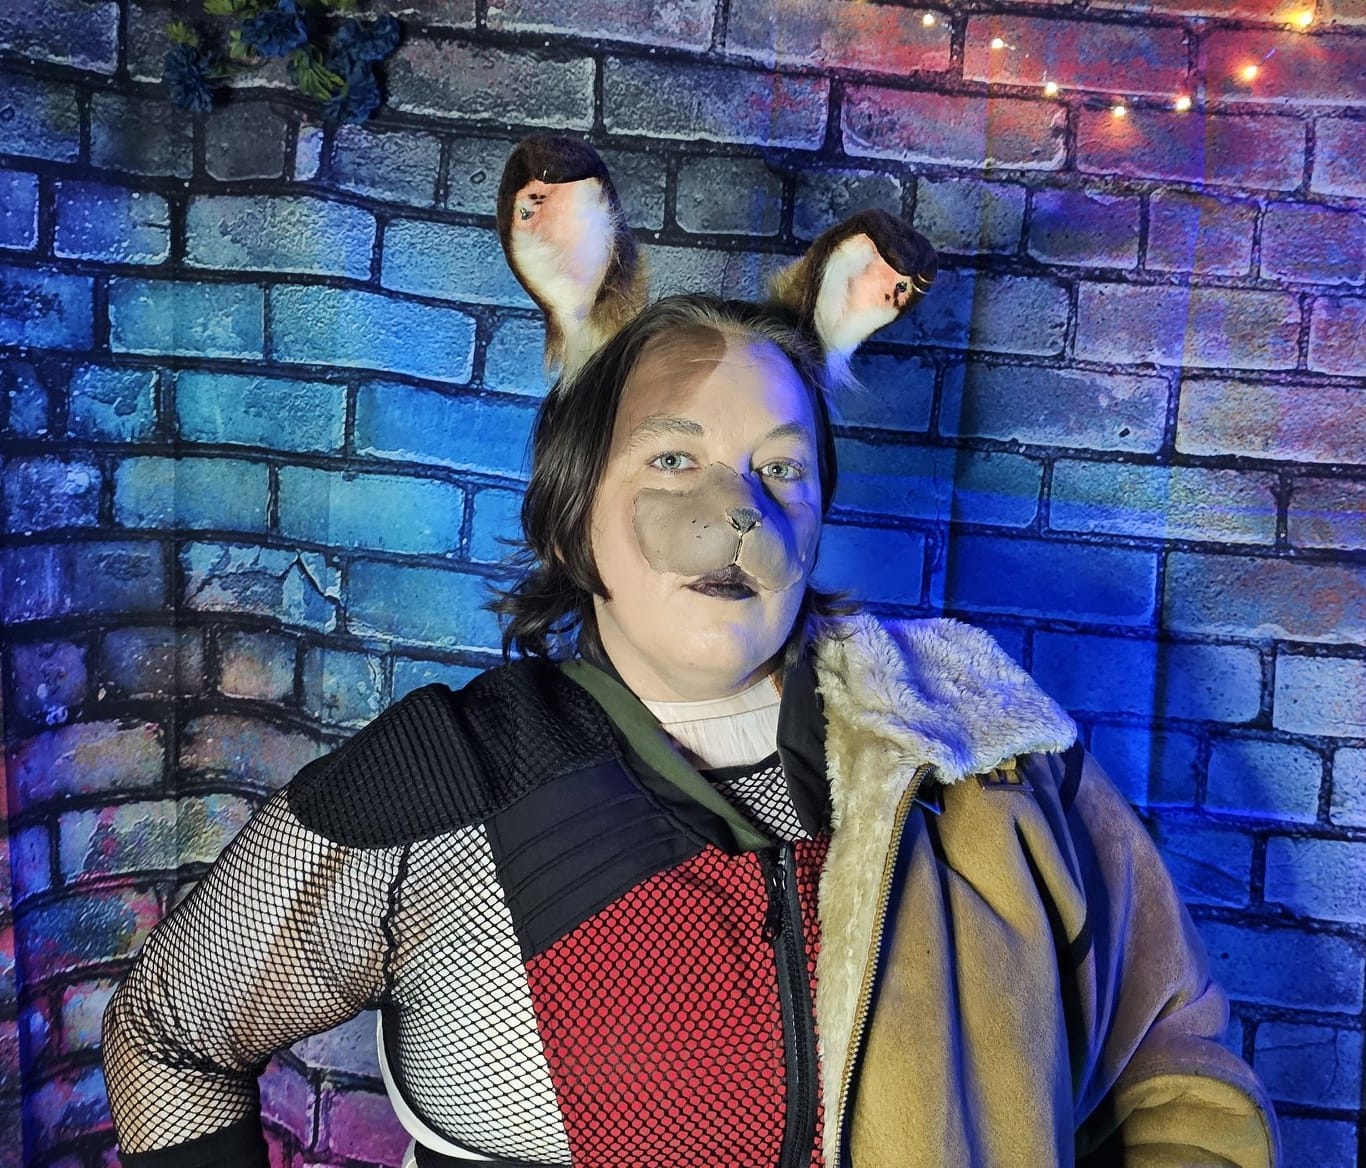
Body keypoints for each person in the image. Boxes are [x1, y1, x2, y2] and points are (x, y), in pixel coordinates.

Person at [102, 137, 1278, 1168]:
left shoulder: (989, 749)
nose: (735, 512)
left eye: (780, 469)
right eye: (674, 459)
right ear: (575, 513)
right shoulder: (447, 775)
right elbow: (169, 1031)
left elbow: (1173, 1062)